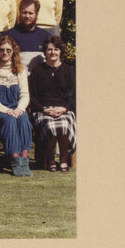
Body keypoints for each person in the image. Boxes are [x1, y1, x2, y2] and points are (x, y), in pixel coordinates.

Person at [0, 35, 34, 177]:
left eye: (8, 50)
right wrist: (6, 110)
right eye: (1, 50)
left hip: (16, 108)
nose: (5, 53)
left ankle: (24, 160)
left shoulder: (20, 69)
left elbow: (25, 94)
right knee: (10, 120)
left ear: (14, 51)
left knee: (24, 119)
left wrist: (19, 109)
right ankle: (15, 159)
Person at [28, 35, 76, 172]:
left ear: (60, 51)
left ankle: (63, 159)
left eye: (56, 49)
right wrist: (44, 110)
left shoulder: (69, 71)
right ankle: (50, 160)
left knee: (64, 123)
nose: (52, 52)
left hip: (63, 109)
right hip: (43, 110)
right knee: (50, 124)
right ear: (45, 51)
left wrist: (64, 109)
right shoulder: (37, 71)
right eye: (49, 49)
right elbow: (32, 97)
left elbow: (74, 97)